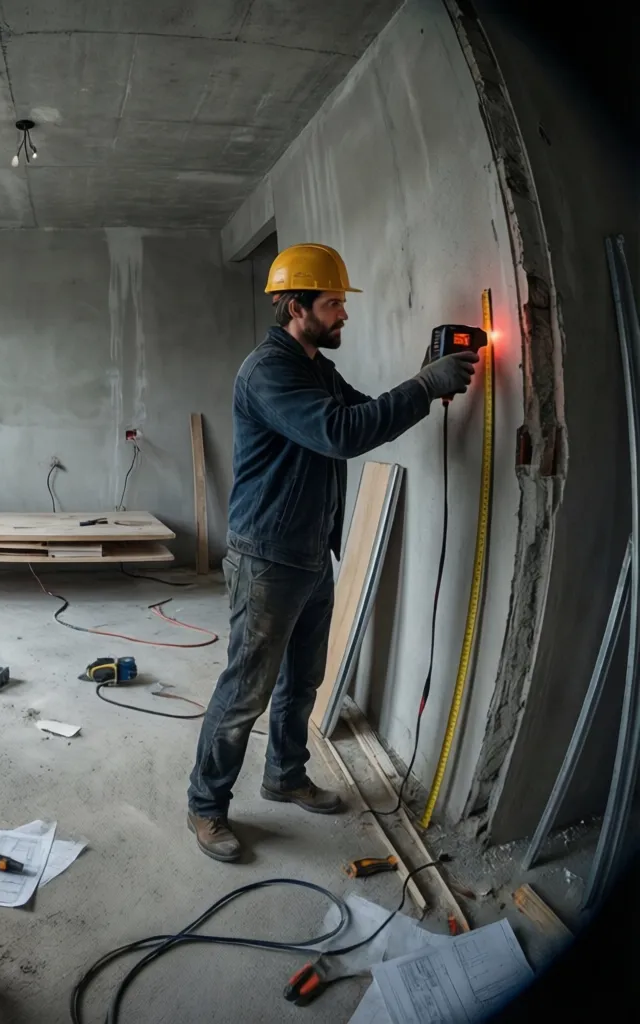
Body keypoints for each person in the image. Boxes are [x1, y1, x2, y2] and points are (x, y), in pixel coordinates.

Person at [186, 243, 478, 862]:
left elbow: (359, 411)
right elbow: (342, 436)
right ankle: (206, 806)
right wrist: (426, 385)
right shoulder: (269, 370)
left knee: (303, 680)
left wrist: (420, 380)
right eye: (333, 303)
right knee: (246, 690)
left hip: (310, 551)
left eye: (342, 303)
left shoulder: (313, 363)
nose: (344, 313)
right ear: (297, 307)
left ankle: (285, 775)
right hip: (266, 556)